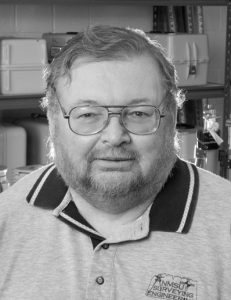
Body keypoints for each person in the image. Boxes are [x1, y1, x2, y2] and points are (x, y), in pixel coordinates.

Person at [0, 25, 230, 300]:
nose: (114, 136)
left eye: (138, 113)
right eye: (87, 115)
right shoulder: (6, 221)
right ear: (52, 120)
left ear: (171, 117)